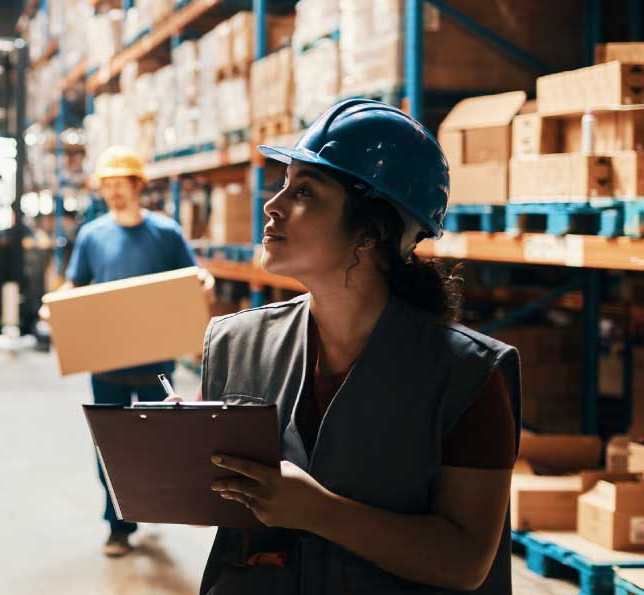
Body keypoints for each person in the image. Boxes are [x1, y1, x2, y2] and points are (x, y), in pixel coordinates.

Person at [196, 99, 521, 593]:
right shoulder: (234, 344)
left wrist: (319, 512)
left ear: (370, 232)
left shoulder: (467, 376)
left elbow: (466, 561)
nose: (273, 204)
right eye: (284, 184)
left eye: (304, 191)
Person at [54, 145, 215, 557]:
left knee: (157, 443)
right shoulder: (92, 236)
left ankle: (154, 505)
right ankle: (118, 524)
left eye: (119, 183)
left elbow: (189, 277)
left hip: (155, 360)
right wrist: (57, 302)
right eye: (106, 185)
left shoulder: (165, 232)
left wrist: (204, 281)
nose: (112, 192)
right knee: (111, 444)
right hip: (106, 359)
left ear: (138, 185)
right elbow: (76, 284)